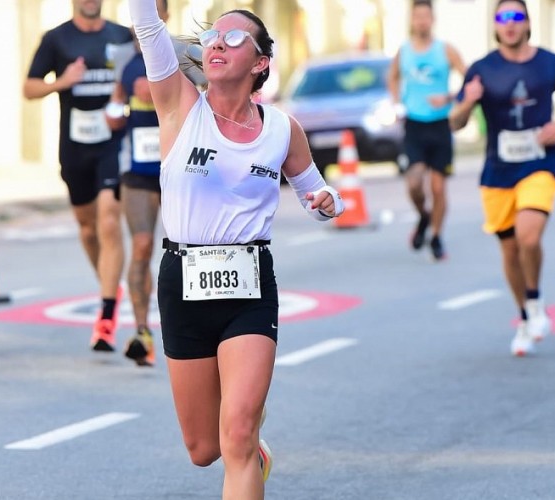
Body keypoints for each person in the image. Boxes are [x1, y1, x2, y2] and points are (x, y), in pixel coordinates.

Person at [127, 0, 345, 497]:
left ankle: (248, 441)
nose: (216, 44)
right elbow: (145, 21)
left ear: (261, 62)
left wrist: (328, 202)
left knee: (238, 436)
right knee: (205, 449)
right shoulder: (178, 104)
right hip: (182, 279)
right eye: (210, 39)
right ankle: (253, 451)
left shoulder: (281, 129)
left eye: (233, 38)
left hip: (248, 282)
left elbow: (318, 196)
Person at [450, 0, 555, 356]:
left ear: (527, 22)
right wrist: (467, 103)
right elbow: (455, 122)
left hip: (540, 163)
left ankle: (537, 301)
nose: (509, 24)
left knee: (529, 235)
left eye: (516, 17)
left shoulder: (550, 62)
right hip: (498, 171)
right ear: (495, 26)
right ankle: (525, 316)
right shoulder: (482, 69)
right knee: (510, 250)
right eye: (502, 17)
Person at [23, 0, 132, 353]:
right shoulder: (56, 39)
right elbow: (29, 88)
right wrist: (63, 82)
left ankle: (106, 318)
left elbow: (140, 79)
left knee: (109, 220)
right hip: (74, 148)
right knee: (88, 228)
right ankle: (108, 284)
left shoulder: (121, 36)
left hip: (113, 144)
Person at [107, 0, 207, 367]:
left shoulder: (185, 53)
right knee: (143, 245)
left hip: (181, 170)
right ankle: (141, 331)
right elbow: (114, 113)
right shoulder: (122, 60)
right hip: (138, 171)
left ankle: (195, 327)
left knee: (189, 246)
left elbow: (211, 103)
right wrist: (118, 109)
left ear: (163, 15)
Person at [387, 0, 466, 261]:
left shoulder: (446, 50)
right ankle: (424, 216)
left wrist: (450, 97)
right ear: (412, 20)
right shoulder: (404, 51)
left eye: (426, 16)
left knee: (439, 188)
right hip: (414, 125)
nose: (422, 21)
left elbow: (471, 80)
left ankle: (436, 237)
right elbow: (392, 77)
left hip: (440, 125)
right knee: (414, 183)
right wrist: (397, 102)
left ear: (433, 19)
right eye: (417, 16)